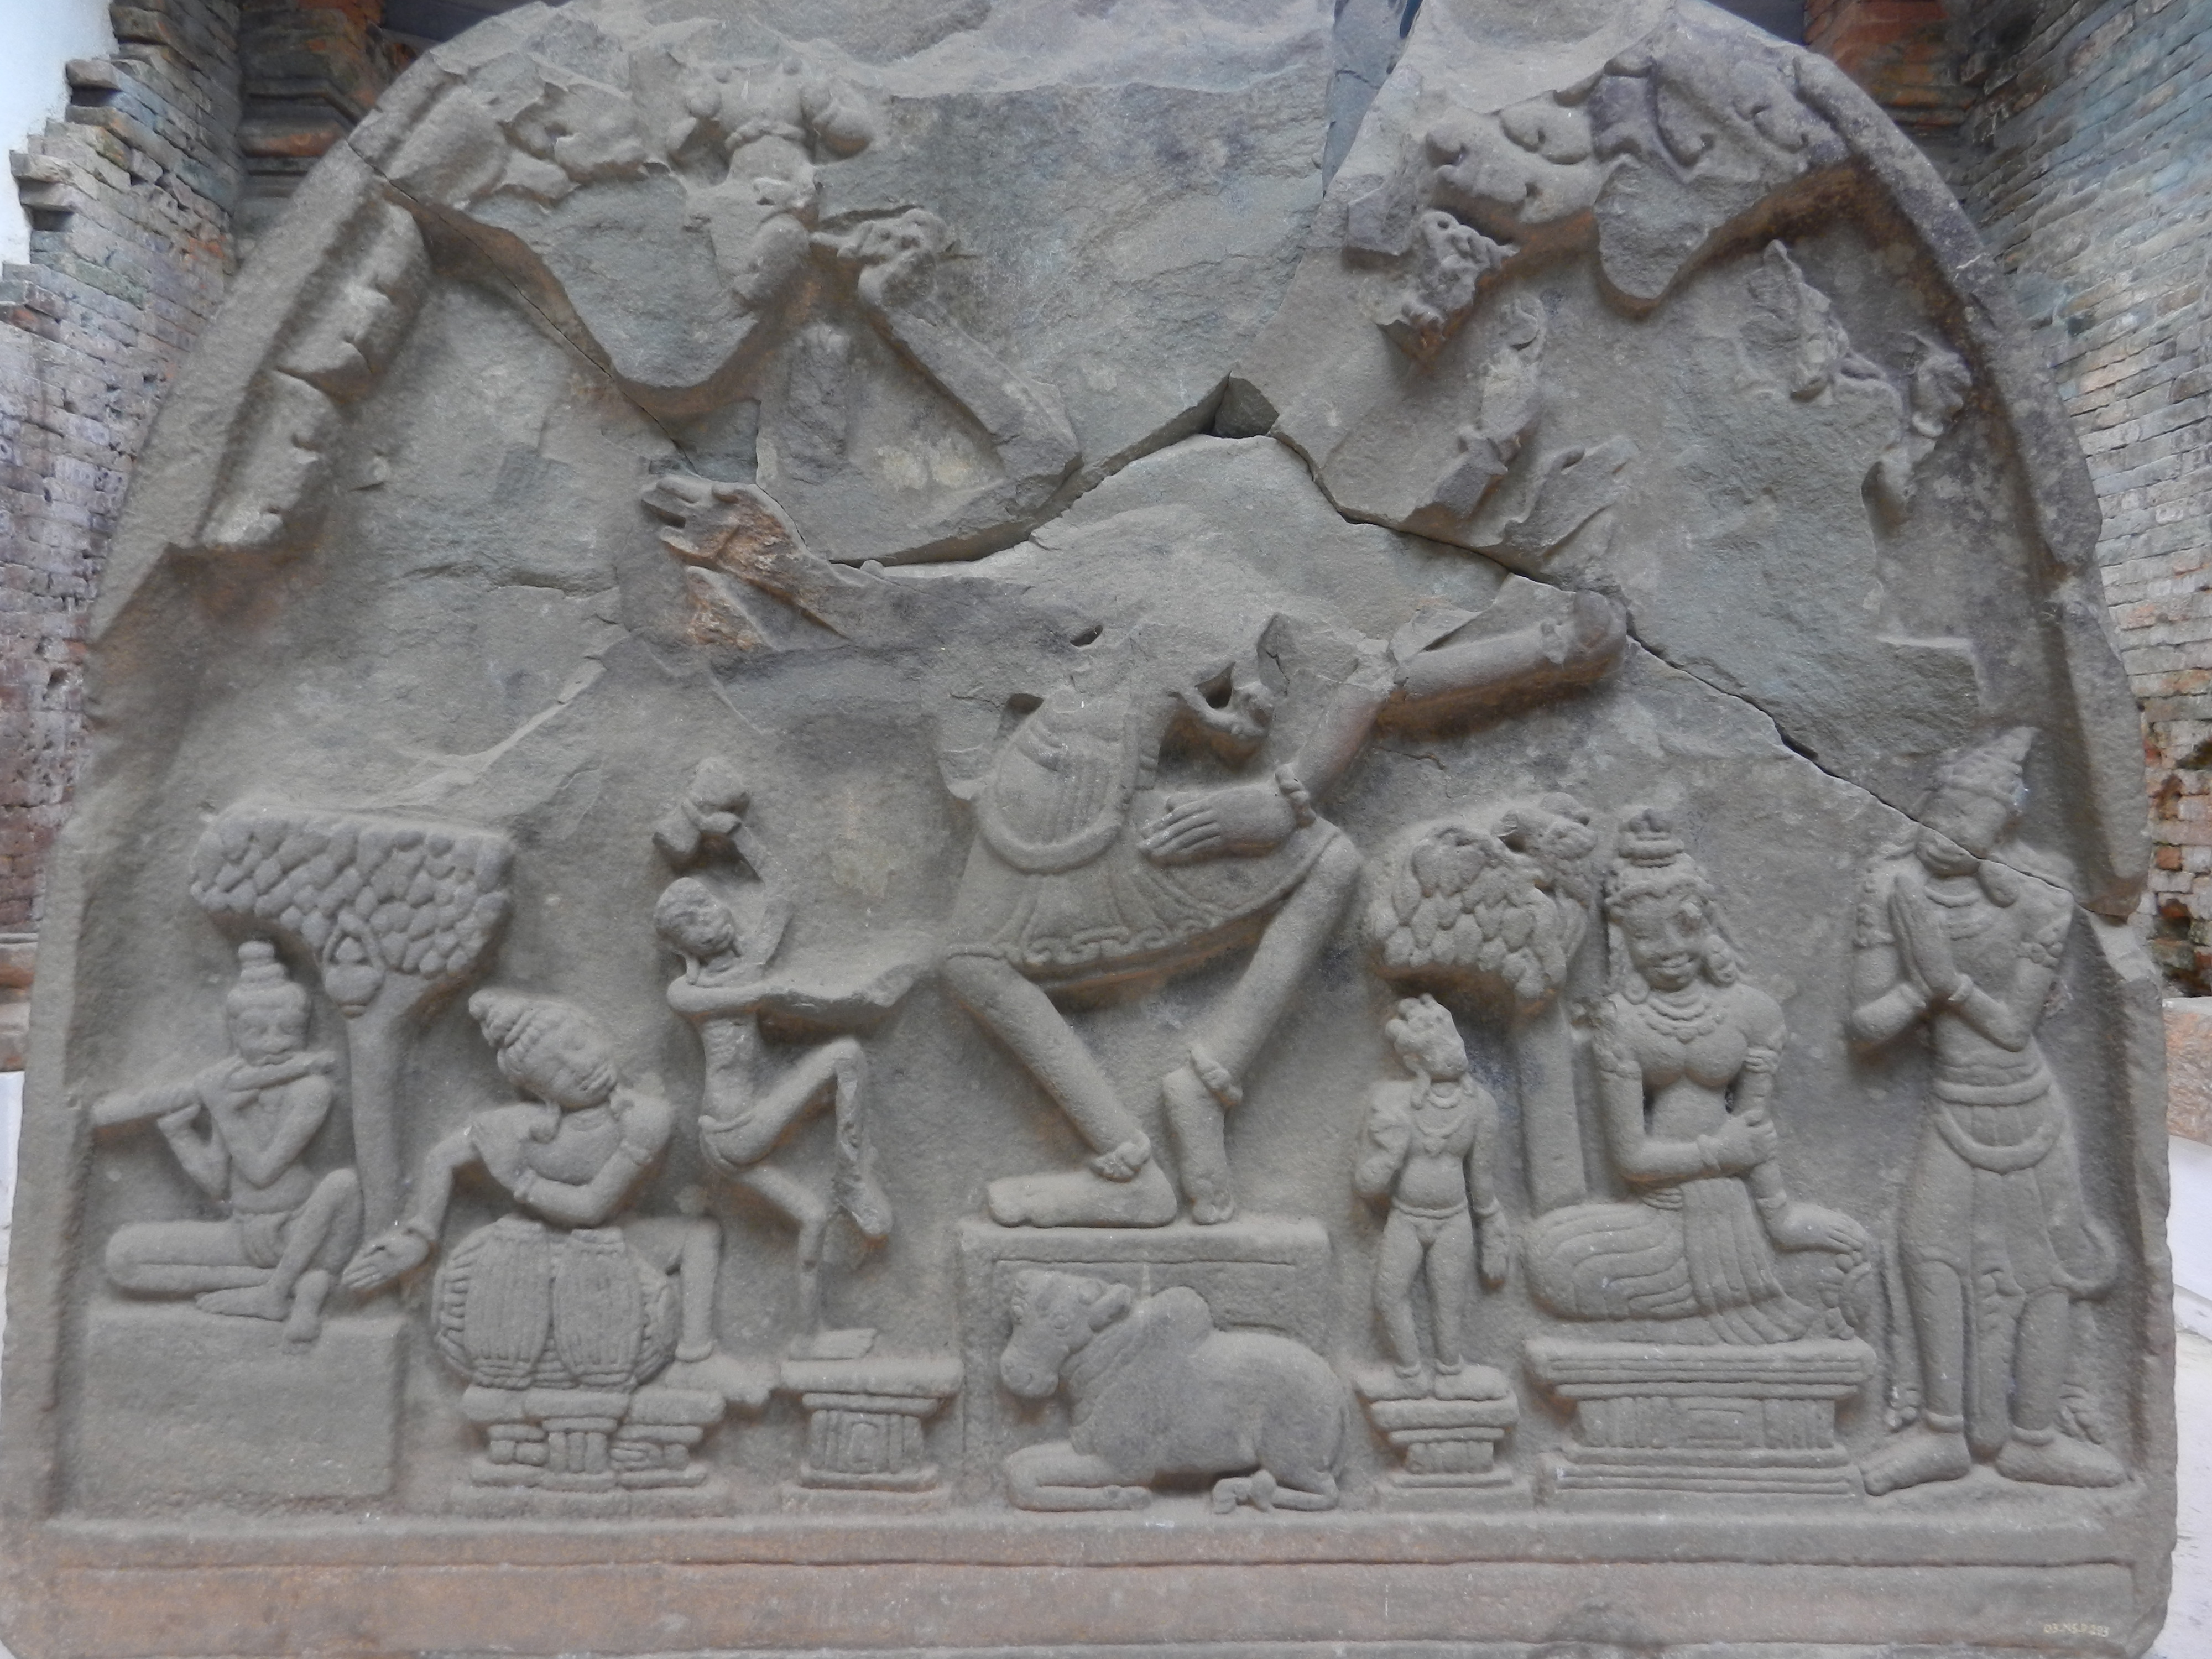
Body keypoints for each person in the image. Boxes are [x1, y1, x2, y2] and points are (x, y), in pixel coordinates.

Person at [945, 588, 1627, 1229]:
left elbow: (1371, 683)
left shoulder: (1190, 640)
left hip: (1091, 822)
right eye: (1245, 686)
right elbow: (1368, 683)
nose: (1265, 702)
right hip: (1067, 827)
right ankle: (1151, 1140)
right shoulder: (1170, 647)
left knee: (1328, 858)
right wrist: (1549, 647)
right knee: (972, 963)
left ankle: (1172, 1119)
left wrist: (1548, 647)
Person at [1848, 729, 2123, 1493]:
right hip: (1952, 1107)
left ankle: (2035, 1437)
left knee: (2045, 1272)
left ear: (2003, 826)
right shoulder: (1891, 886)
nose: (1948, 833)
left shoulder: (2040, 896)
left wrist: (1948, 983)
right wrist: (1918, 988)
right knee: (1925, 1252)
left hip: (2029, 1107)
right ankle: (1941, 1431)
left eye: (1971, 821)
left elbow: (2011, 1028)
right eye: (1941, 812)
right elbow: (1864, 1027)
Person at [1525, 812, 1869, 1343]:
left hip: (1734, 1213)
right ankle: (1690, 1318)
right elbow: (1632, 1159)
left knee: (1852, 1255)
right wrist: (1716, 1154)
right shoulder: (1620, 1021)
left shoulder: (1753, 1013)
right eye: (1645, 935)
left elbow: (1754, 1135)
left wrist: (1781, 1218)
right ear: (1621, 938)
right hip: (1656, 1213)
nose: (1668, 950)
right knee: (1552, 1257)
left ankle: (1698, 1311)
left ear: (1708, 922)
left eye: (1684, 927)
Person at [341, 989, 754, 1400]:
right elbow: (442, 1158)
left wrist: (518, 1178)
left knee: (700, 1236)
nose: (581, 1067)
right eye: (555, 1073)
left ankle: (695, 1359)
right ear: (539, 1092)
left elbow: (593, 1207)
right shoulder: (518, 1126)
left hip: (611, 1238)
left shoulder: (646, 1119)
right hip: (528, 1250)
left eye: (578, 1044)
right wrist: (421, 1235)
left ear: (594, 1031)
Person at [97, 940, 361, 1345]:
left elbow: (262, 1171)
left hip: (298, 1227)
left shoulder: (310, 1090)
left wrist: (221, 1107)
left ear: (305, 1032)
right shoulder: (233, 1086)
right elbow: (217, 1185)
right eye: (257, 1031)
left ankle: (276, 1291)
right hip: (243, 1233)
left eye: (288, 1030)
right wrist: (180, 1133)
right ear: (236, 1035)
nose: (274, 1043)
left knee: (344, 1184)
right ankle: (295, 1284)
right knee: (123, 1257)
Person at [1353, 994, 1510, 1386]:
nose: (1454, 1052)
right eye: (1440, 1048)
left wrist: (1493, 1229)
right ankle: (1409, 1371)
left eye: (1454, 1041)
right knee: (1389, 1295)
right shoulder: (1392, 1101)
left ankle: (1450, 1372)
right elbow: (1366, 1185)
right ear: (1415, 1062)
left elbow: (1482, 1181)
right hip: (1406, 1217)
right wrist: (1392, 1152)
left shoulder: (1480, 1106)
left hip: (1453, 1218)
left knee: (1449, 1301)